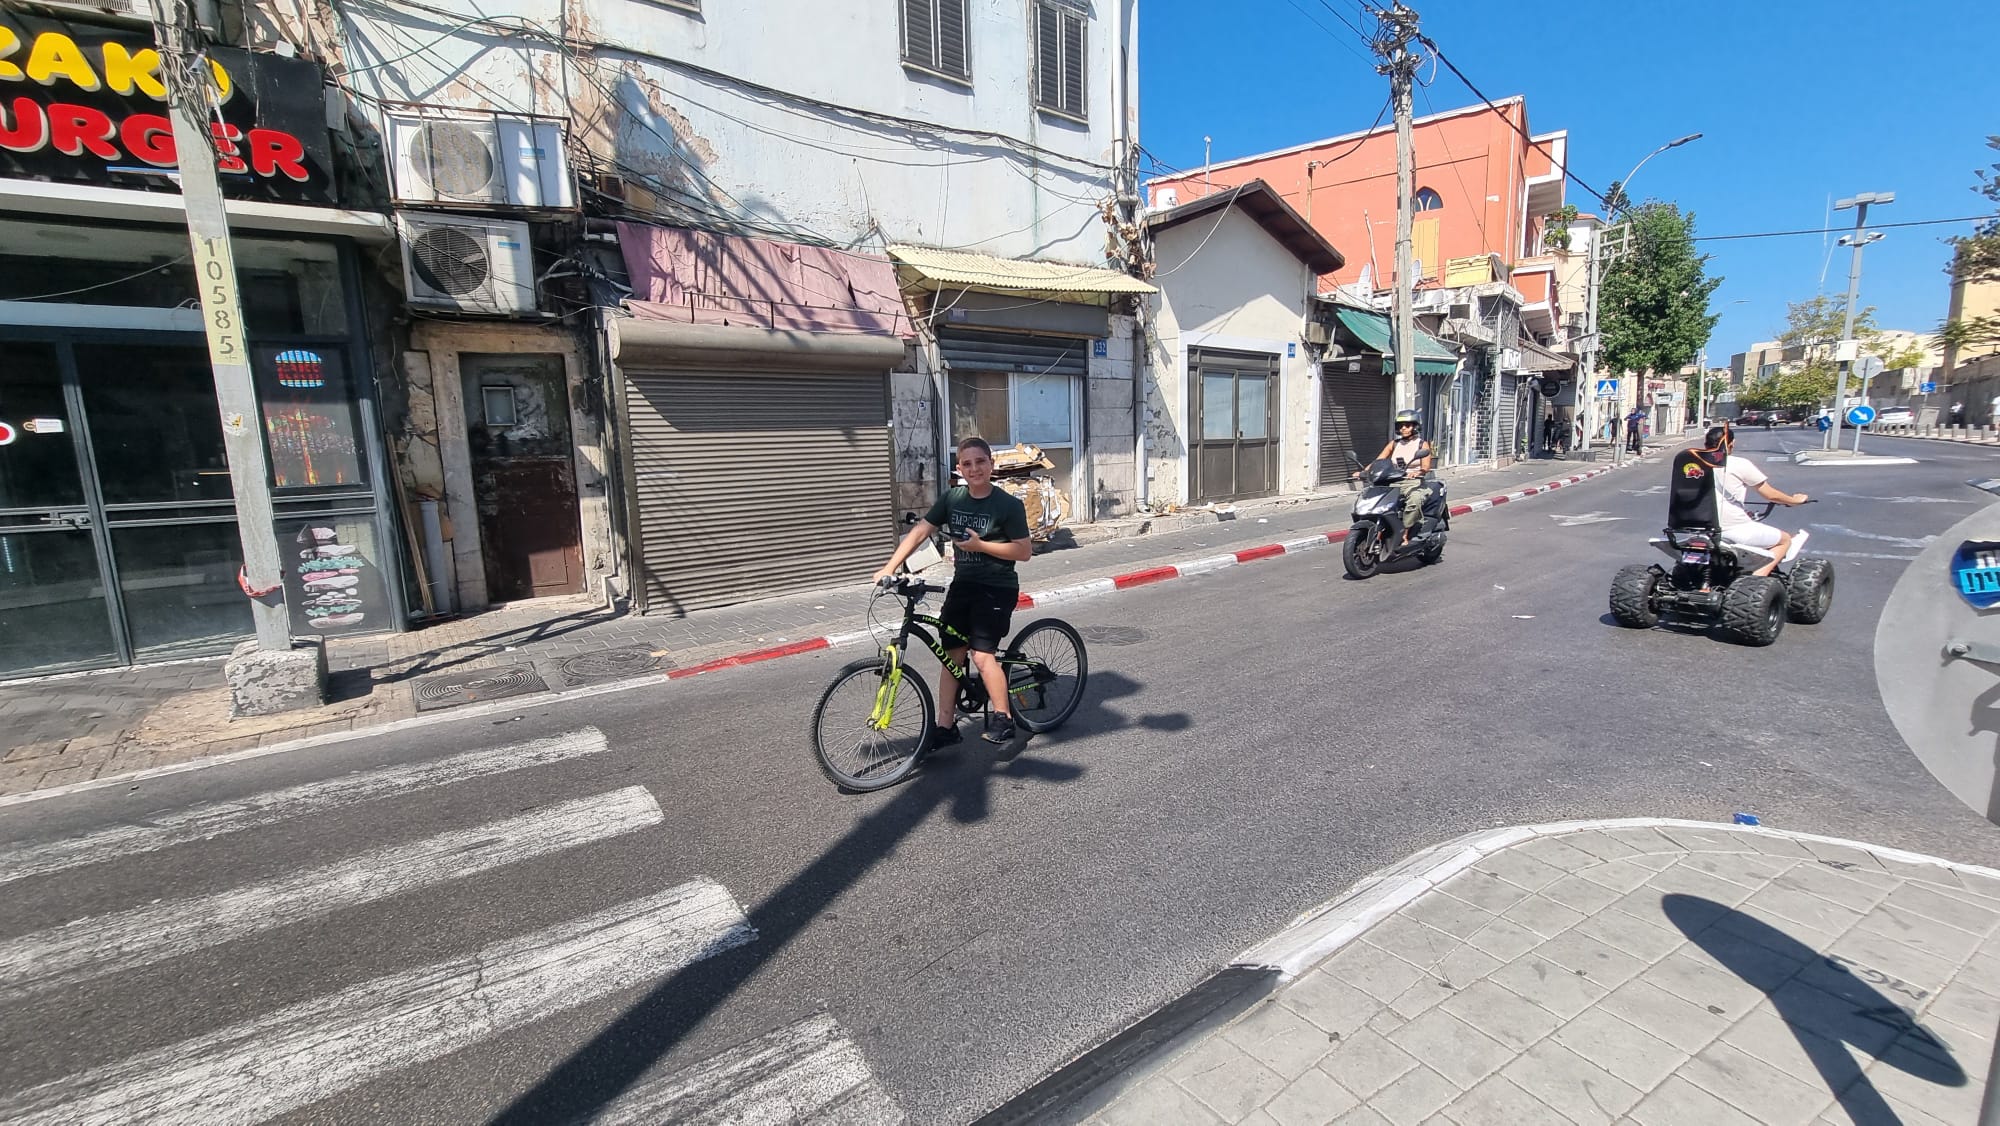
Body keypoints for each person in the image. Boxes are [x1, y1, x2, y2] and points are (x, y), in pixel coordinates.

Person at [874, 437, 1033, 747]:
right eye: (967, 463)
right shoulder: (953, 499)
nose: (974, 468)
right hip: (963, 585)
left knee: (982, 654)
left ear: (991, 464)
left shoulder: (1007, 505)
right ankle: (945, 728)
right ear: (959, 468)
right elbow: (920, 531)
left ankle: (1004, 718)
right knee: (952, 655)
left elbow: (1024, 551)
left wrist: (980, 546)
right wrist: (890, 568)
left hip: (997, 588)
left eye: (980, 462)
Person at [1703, 424, 1808, 578]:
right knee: (1785, 540)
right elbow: (1771, 495)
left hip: (1697, 528)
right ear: (1731, 445)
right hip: (1730, 529)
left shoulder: (1693, 465)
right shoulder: (1738, 464)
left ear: (1706, 445)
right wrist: (1795, 500)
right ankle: (1756, 580)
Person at [1358, 410, 1434, 544]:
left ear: (1415, 426)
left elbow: (1426, 466)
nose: (1403, 428)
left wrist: (1418, 472)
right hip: (1393, 481)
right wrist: (1363, 471)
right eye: (1400, 426)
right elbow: (1379, 460)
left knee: (1414, 500)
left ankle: (1405, 532)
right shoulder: (1394, 444)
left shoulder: (1422, 444)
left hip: (1414, 482)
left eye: (1407, 425)